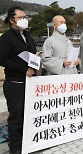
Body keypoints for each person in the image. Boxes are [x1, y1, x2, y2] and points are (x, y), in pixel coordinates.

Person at [0, 6, 36, 154]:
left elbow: (32, 53)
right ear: (11, 20)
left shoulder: (27, 36)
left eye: (25, 17)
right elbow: (2, 59)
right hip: (15, 83)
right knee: (17, 117)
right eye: (21, 17)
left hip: (30, 82)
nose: (24, 20)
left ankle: (27, 144)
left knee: (28, 114)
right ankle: (15, 148)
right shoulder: (6, 38)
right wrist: (23, 69)